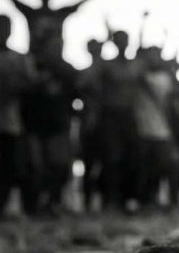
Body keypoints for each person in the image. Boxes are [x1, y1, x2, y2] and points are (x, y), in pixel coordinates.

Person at [21, 44, 77, 214]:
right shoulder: (31, 66)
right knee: (35, 167)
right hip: (34, 126)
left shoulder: (66, 70)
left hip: (57, 126)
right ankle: (33, 205)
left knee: (58, 166)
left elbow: (75, 92)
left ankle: (54, 202)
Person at [98, 30, 143, 209]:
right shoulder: (106, 66)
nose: (123, 43)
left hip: (130, 115)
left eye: (126, 40)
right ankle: (110, 199)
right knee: (112, 157)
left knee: (132, 157)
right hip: (110, 115)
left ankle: (130, 198)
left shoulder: (136, 65)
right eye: (120, 40)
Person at [134, 46, 179, 208]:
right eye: (150, 55)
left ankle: (170, 200)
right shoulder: (138, 77)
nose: (153, 58)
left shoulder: (165, 78)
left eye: (156, 55)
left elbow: (170, 103)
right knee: (145, 168)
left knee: (169, 164)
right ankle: (146, 201)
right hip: (142, 130)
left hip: (162, 130)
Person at [0, 14, 34, 215]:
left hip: (11, 122)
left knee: (8, 167)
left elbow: (31, 84)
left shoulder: (19, 59)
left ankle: (3, 206)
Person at [76, 38, 106, 210]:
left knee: (108, 163)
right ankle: (87, 202)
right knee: (88, 163)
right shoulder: (86, 73)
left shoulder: (107, 70)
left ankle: (104, 201)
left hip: (107, 123)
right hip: (89, 123)